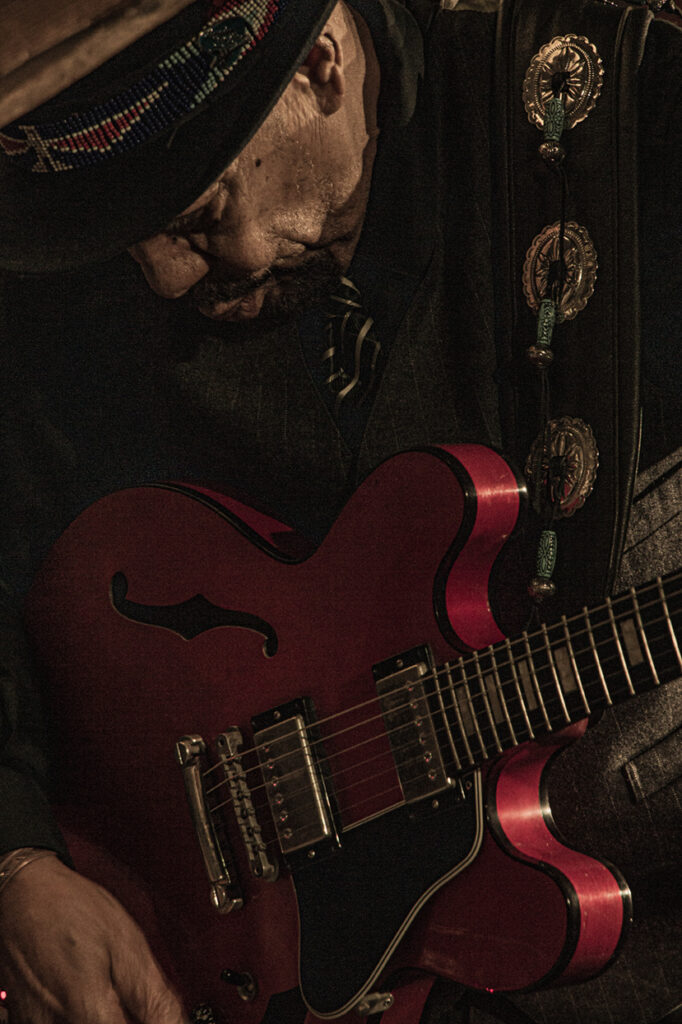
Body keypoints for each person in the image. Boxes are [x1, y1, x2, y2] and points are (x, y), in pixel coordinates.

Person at [0, 1, 680, 1023]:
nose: (168, 276)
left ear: (318, 65)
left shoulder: (631, 108)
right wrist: (13, 863)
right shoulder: (87, 283)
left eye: (198, 213)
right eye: (135, 240)